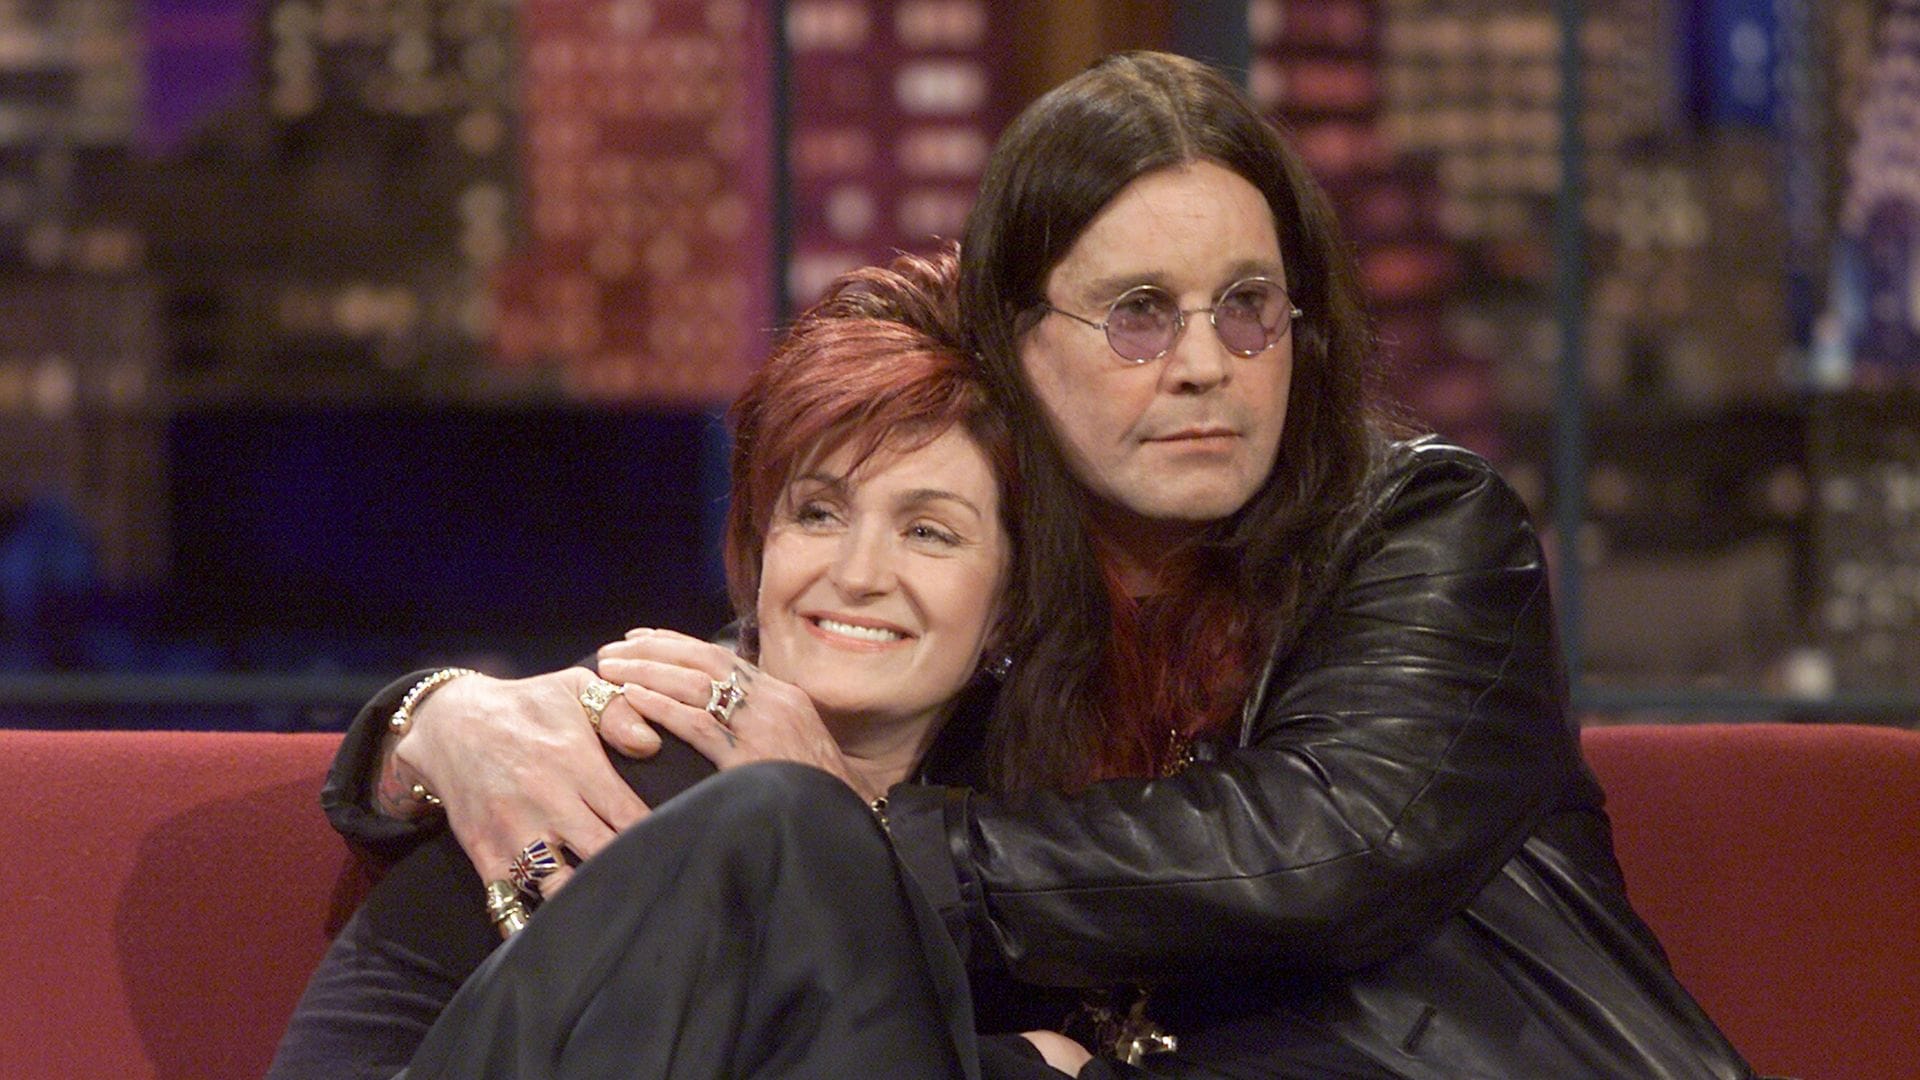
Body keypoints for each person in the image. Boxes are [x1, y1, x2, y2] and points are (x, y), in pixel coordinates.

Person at [319, 52, 1754, 1077]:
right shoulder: (999, 606)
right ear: (1021, 341)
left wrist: (849, 839)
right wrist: (433, 719)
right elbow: (786, 661)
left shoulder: (1422, 530)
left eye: (1249, 308)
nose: (1204, 364)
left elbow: (1318, 852)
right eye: (1139, 315)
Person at [271, 250, 1081, 1078]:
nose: (859, 573)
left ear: (1013, 598)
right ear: (763, 544)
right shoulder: (639, 732)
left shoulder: (1022, 827)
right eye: (819, 513)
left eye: (929, 532)